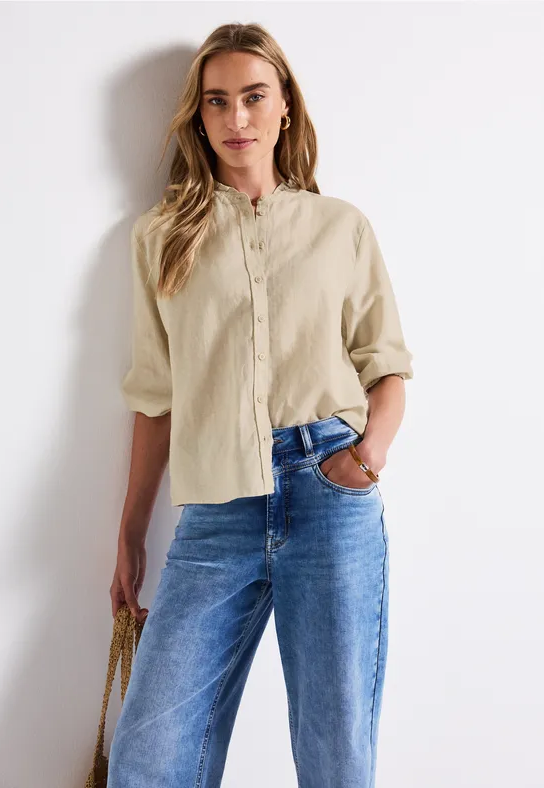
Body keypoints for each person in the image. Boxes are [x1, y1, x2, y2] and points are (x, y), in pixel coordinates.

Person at [107, 21, 414, 788]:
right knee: (149, 756)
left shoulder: (339, 227)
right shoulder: (161, 237)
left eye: (252, 96)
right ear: (198, 116)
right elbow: (155, 395)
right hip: (215, 511)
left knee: (335, 752)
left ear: (284, 108)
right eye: (216, 101)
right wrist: (131, 530)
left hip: (329, 493)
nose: (235, 117)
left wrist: (365, 457)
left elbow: (386, 367)